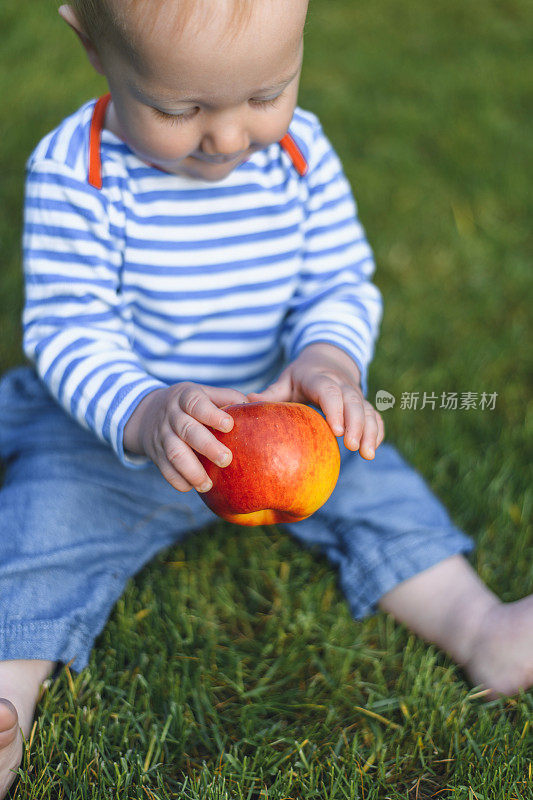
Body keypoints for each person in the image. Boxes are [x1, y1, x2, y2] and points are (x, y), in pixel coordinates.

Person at [1, 0, 531, 795]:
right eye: (180, 108)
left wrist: (328, 361)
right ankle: (7, 691)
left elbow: (336, 282)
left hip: (287, 420)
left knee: (378, 486)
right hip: (120, 435)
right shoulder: (77, 170)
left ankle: (478, 625)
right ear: (93, 48)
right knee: (43, 527)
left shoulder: (301, 152)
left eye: (265, 93)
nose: (228, 136)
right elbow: (70, 330)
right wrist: (146, 415)